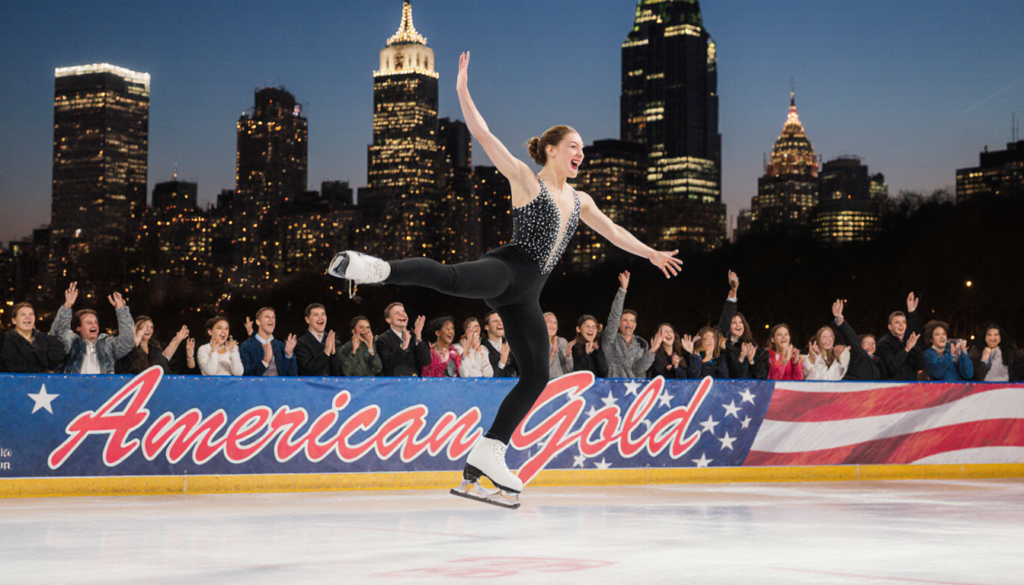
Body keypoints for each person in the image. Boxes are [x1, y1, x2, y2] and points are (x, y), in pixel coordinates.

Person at [326, 52, 682, 508]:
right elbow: (484, 134)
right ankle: (376, 269)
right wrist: (461, 91)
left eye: (582, 148)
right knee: (452, 280)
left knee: (535, 376)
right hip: (508, 270)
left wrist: (650, 252)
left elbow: (613, 232)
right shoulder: (525, 180)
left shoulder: (580, 201)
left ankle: (487, 453)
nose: (581, 153)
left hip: (529, 295)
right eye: (573, 145)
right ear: (551, 150)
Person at [50, 282, 135, 374]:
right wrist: (67, 306)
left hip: (103, 387)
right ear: (78, 327)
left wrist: (121, 310)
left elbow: (127, 342)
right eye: (88, 323)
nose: (94, 325)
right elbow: (57, 336)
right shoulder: (72, 343)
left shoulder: (107, 344)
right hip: (75, 387)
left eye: (96, 322)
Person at [602, 271, 658, 378]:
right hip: (613, 391)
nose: (629, 324)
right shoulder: (610, 339)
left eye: (632, 321)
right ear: (618, 323)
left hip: (636, 391)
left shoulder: (642, 343)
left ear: (635, 325)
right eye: (625, 320)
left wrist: (652, 351)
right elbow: (614, 317)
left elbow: (638, 369)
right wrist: (623, 290)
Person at [716, 270, 765, 379]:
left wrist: (751, 361)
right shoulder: (724, 345)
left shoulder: (751, 345)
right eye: (733, 322)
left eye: (740, 322)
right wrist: (733, 291)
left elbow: (761, 377)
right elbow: (725, 320)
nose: (738, 325)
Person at [0, 302, 66, 373]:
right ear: (14, 320)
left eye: (31, 314)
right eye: (23, 314)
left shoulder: (47, 341)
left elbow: (57, 364)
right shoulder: (4, 342)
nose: (28, 317)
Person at [116, 316, 190, 375]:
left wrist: (177, 340)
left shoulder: (154, 348)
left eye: (151, 327)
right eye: (144, 326)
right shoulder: (126, 348)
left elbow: (163, 362)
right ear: (135, 328)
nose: (148, 329)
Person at [831, 300, 885, 381]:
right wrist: (840, 321)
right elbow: (852, 340)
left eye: (873, 343)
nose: (871, 346)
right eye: (867, 343)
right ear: (861, 345)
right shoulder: (858, 356)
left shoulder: (878, 363)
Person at [876, 292, 925, 380]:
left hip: (911, 387)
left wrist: (912, 312)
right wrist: (906, 350)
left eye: (904, 322)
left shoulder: (909, 341)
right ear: (889, 327)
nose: (901, 325)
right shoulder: (884, 343)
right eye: (897, 323)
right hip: (892, 388)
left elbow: (920, 365)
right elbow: (892, 368)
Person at [374, 302, 430, 376]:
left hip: (414, 384)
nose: (402, 314)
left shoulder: (414, 337)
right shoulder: (383, 340)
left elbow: (426, 361)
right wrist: (404, 346)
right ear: (388, 320)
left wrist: (418, 336)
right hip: (395, 384)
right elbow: (387, 364)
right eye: (396, 313)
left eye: (403, 311)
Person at [239, 307, 297, 377]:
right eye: (267, 317)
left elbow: (293, 376)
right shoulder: (247, 346)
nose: (271, 320)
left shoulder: (281, 345)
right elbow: (246, 375)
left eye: (273, 317)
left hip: (280, 387)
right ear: (258, 322)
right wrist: (264, 363)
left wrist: (289, 356)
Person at [295, 303, 342, 376]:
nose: (320, 317)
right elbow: (307, 371)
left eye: (323, 314)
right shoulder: (301, 343)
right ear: (307, 320)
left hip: (331, 386)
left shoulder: (334, 341)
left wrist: (333, 354)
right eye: (316, 315)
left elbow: (338, 373)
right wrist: (326, 352)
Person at [482, 311, 517, 378]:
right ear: (487, 327)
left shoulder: (512, 345)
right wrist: (502, 361)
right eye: (495, 321)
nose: (500, 323)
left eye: (502, 320)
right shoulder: (482, 348)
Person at [544, 312, 573, 379]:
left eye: (555, 322)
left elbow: (569, 370)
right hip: (545, 384)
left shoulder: (562, 342)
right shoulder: (537, 343)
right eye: (549, 322)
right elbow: (541, 371)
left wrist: (568, 356)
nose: (553, 325)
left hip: (561, 384)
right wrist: (552, 352)